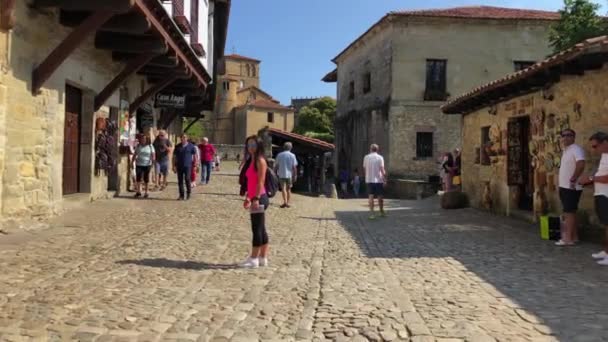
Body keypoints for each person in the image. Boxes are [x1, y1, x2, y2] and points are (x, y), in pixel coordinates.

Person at [239, 135, 270, 268]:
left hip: (260, 197)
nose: (250, 147)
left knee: (256, 228)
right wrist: (248, 197)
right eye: (249, 145)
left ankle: (254, 259)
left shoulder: (260, 161)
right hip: (253, 197)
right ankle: (262, 257)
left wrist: (255, 198)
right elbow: (250, 182)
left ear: (259, 146)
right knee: (261, 228)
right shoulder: (251, 160)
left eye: (253, 145)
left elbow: (260, 182)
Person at [580, 132, 608, 265]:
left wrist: (591, 178)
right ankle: (606, 251)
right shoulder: (604, 156)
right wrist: (589, 182)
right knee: (606, 225)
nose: (594, 149)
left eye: (595, 146)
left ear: (605, 143)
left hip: (606, 195)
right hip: (601, 194)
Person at [556, 128, 585, 246]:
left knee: (569, 212)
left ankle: (568, 239)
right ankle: (574, 236)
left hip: (571, 187)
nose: (565, 137)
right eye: (563, 135)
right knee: (571, 211)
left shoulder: (576, 149)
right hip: (564, 186)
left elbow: (581, 163)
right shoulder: (566, 150)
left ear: (574, 137)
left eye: (568, 135)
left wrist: (574, 178)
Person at [363, 144, 387, 219]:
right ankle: (381, 211)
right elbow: (382, 169)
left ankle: (372, 214)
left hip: (369, 179)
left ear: (370, 149)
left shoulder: (366, 157)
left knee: (371, 196)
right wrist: (385, 179)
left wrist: (366, 176)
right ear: (377, 149)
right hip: (378, 180)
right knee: (380, 196)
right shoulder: (380, 157)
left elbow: (364, 168)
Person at [173, 134, 197, 200]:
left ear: (187, 138)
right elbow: (174, 157)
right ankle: (181, 195)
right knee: (180, 181)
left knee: (187, 179)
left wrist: (195, 165)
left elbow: (195, 156)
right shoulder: (177, 146)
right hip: (179, 166)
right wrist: (174, 166)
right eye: (182, 137)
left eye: (184, 137)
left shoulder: (191, 146)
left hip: (188, 166)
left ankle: (188, 193)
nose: (183, 138)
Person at [275, 142, 298, 208]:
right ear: (291, 148)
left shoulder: (279, 155)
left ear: (284, 147)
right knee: (289, 189)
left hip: (281, 174)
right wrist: (295, 175)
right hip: (289, 175)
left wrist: (274, 173)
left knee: (283, 188)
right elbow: (294, 167)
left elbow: (276, 166)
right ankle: (288, 202)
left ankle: (284, 202)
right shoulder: (292, 155)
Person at [133, 134, 156, 199]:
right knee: (138, 178)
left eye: (144, 139)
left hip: (147, 164)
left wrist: (153, 162)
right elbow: (135, 154)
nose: (143, 140)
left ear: (147, 140)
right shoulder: (138, 146)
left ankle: (146, 192)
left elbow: (153, 155)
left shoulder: (150, 146)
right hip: (139, 164)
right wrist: (132, 162)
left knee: (146, 178)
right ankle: (138, 191)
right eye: (142, 139)